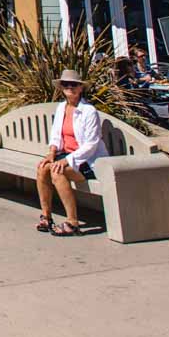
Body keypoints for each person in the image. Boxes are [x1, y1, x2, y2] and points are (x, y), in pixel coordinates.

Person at [35, 69, 103, 236]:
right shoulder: (61, 108)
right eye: (66, 85)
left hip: (88, 161)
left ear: (81, 88)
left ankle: (72, 222)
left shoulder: (89, 111)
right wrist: (51, 152)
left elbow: (91, 145)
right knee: (42, 167)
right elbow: (56, 134)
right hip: (65, 155)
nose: (70, 88)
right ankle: (46, 216)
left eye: (74, 85)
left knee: (57, 171)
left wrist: (66, 161)